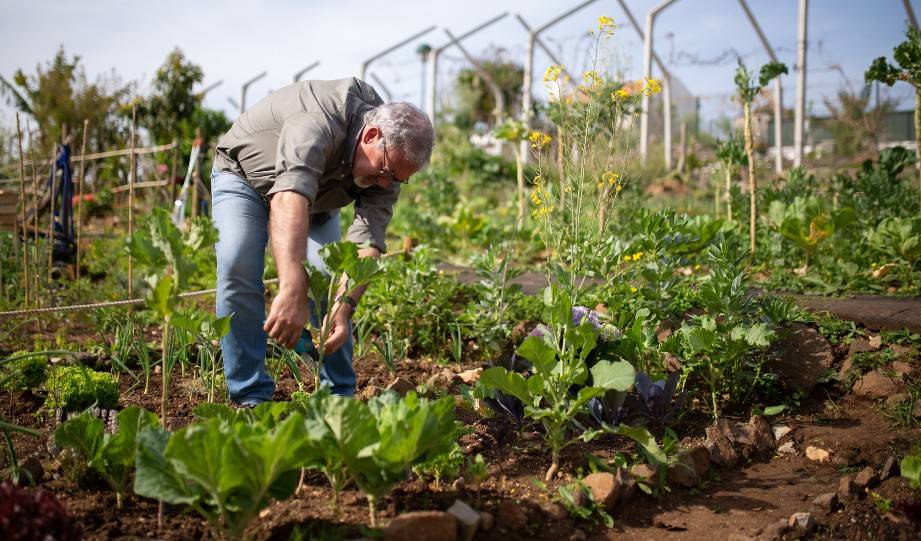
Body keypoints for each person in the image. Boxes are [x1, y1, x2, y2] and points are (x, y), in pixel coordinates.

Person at [211, 78, 434, 405]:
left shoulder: (388, 169)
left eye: (397, 178)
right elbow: (289, 198)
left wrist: (343, 310)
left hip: (317, 198)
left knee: (329, 279)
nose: (386, 183)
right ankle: (251, 398)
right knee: (238, 263)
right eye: (385, 170)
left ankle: (338, 399)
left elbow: (367, 244)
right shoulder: (317, 120)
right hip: (246, 178)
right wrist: (291, 287)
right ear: (371, 136)